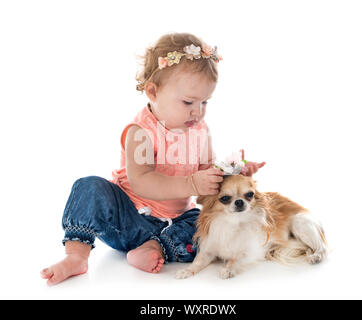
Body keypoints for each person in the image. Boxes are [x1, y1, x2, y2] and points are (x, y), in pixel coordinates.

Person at [40, 32, 265, 285]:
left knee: (202, 223)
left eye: (205, 102)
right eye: (189, 101)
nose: (198, 111)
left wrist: (233, 173)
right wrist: (190, 184)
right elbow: (142, 181)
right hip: (128, 218)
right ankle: (77, 256)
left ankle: (154, 248)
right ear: (152, 92)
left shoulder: (201, 131)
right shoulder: (141, 133)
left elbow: (206, 178)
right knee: (89, 186)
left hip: (174, 222)